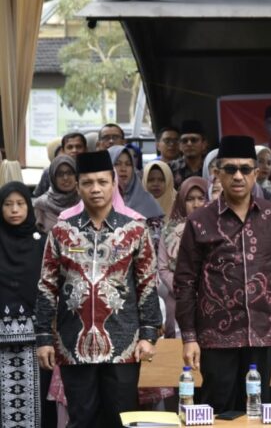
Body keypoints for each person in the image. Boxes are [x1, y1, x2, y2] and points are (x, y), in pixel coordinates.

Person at [174, 135, 271, 414]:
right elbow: (184, 282)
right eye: (230, 169)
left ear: (256, 173)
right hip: (216, 335)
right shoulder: (200, 220)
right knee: (218, 410)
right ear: (217, 174)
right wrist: (189, 337)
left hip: (263, 332)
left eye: (245, 169)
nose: (238, 176)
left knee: (259, 409)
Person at [35, 151, 161, 428]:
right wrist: (44, 337)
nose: (95, 189)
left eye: (102, 182)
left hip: (123, 343)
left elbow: (147, 284)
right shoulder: (61, 231)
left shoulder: (135, 230)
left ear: (113, 182)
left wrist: (149, 334)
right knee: (82, 420)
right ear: (78, 186)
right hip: (73, 344)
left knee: (122, 420)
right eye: (88, 182)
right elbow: (47, 286)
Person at [0, 183, 49, 428]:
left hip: (36, 341)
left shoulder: (41, 242)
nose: (14, 210)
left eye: (20, 204)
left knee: (37, 402)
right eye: (7, 205)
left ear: (29, 207)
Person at [158, 177, 208, 338]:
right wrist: (184, 290)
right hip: (178, 298)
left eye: (201, 198)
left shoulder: (218, 229)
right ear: (181, 201)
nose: (196, 204)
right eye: (190, 199)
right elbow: (163, 267)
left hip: (211, 299)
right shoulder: (169, 231)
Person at [109, 146, 165, 245]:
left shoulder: (147, 201)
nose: (123, 169)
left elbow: (156, 242)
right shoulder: (98, 201)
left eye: (128, 164)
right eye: (117, 164)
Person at [33, 155, 80, 233]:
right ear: (52, 177)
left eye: (70, 173)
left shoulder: (84, 202)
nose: (65, 178)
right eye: (60, 174)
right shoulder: (41, 204)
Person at [33, 132, 87, 198]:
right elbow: (38, 196)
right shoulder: (49, 172)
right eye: (70, 147)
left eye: (78, 147)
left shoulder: (92, 171)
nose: (74, 150)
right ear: (63, 151)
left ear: (86, 149)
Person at [169, 120, 208, 189]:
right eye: (184, 141)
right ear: (179, 145)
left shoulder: (211, 167)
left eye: (194, 140)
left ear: (204, 144)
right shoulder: (170, 168)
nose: (189, 144)